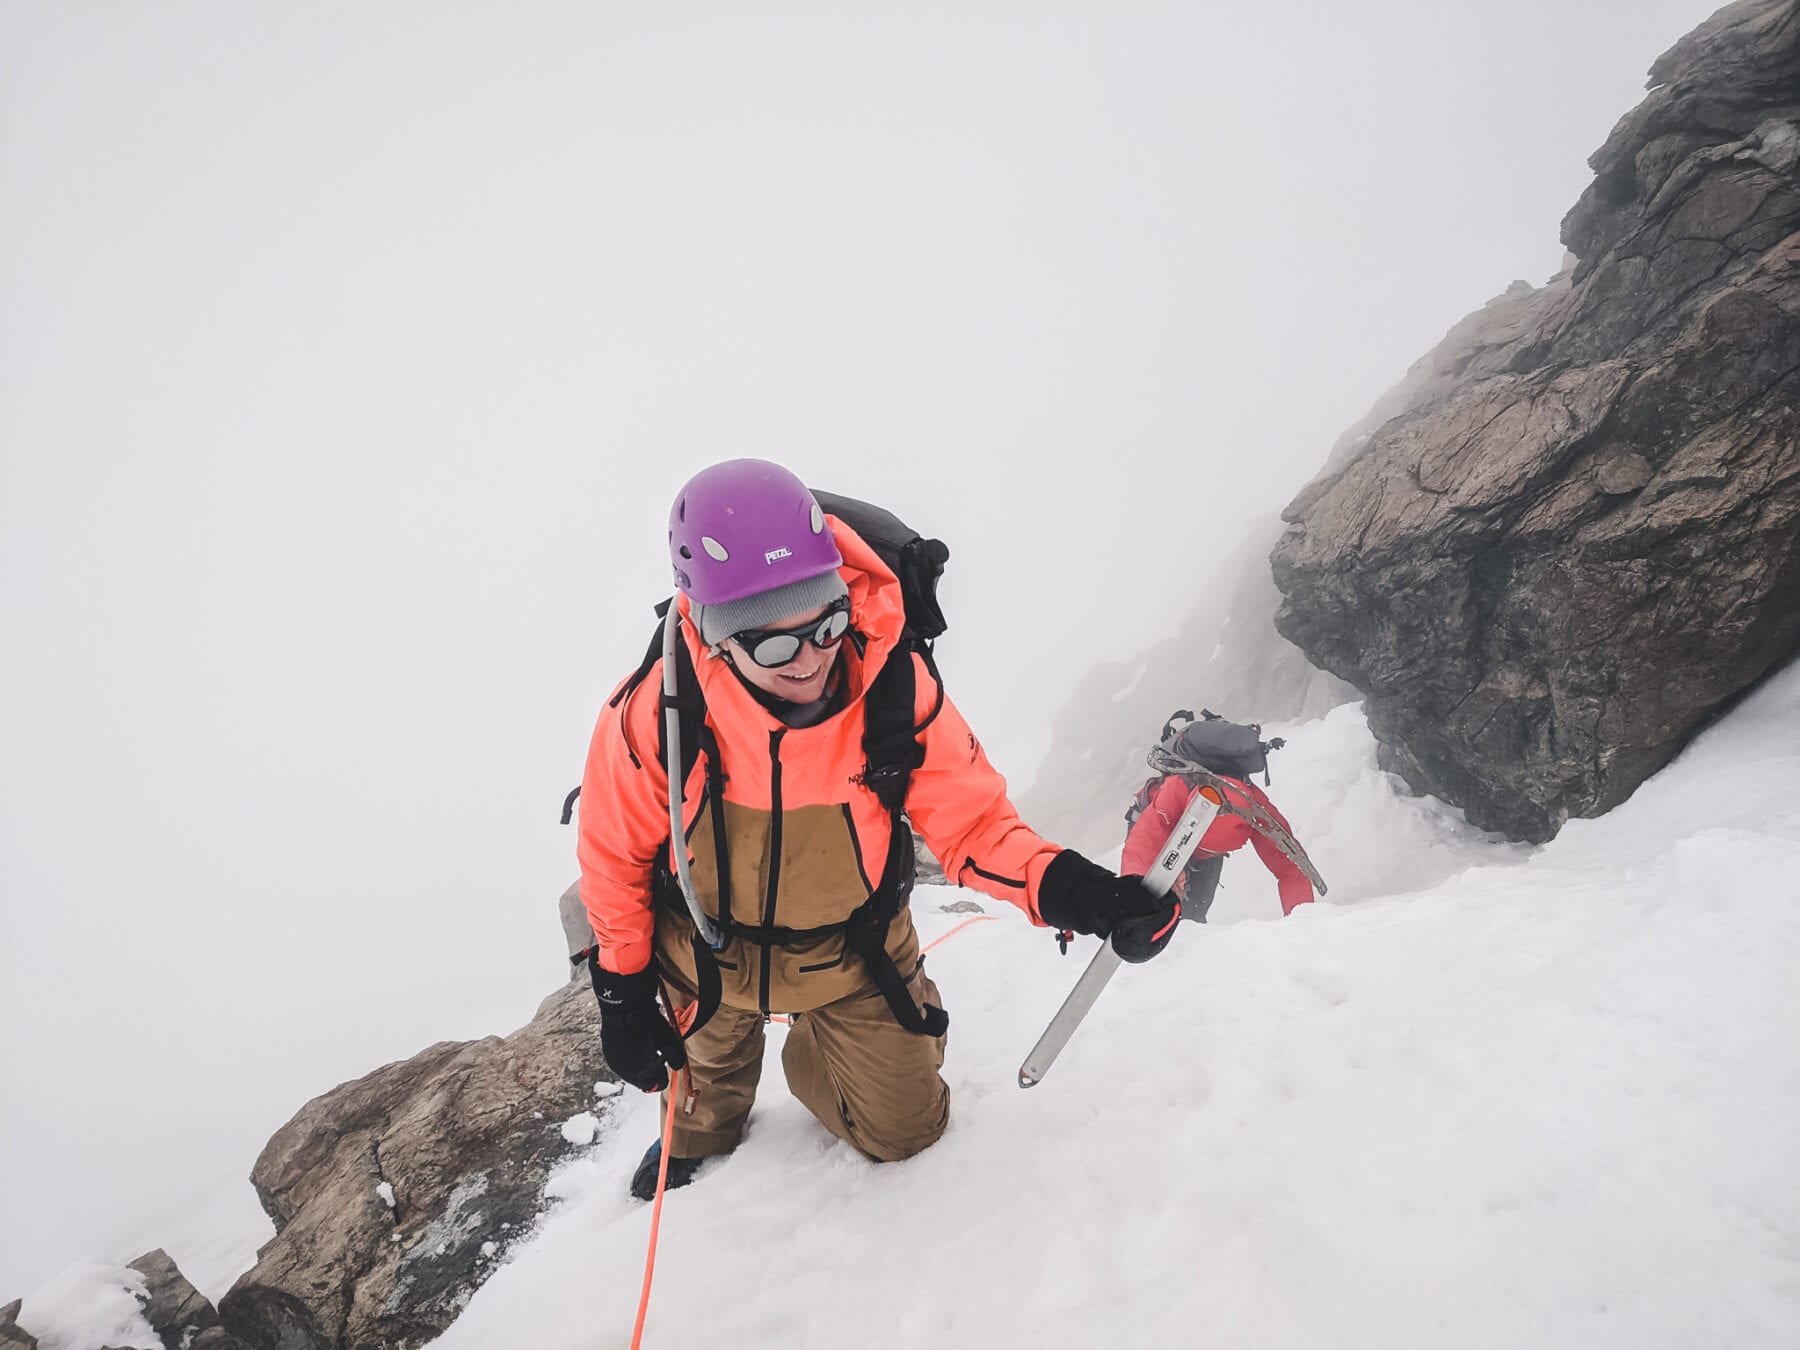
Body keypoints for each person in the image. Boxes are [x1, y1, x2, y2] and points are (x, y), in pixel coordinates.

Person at [576, 458, 1179, 1200]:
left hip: (852, 953)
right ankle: (711, 1114)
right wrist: (623, 992)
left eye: (828, 622)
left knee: (906, 1135)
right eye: (774, 645)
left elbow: (977, 827)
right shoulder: (660, 713)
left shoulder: (893, 686)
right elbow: (615, 856)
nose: (812, 659)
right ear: (717, 636)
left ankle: (813, 1051)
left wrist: (1087, 896)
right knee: (700, 1122)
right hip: (703, 952)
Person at [1121, 714, 1315, 922]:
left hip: (1204, 855)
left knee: (1194, 912)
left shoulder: (1254, 805)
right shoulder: (1177, 789)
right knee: (1169, 910)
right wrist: (1134, 900)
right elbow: (1142, 843)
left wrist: (1302, 917)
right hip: (1166, 836)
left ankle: (1186, 942)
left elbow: (1288, 862)